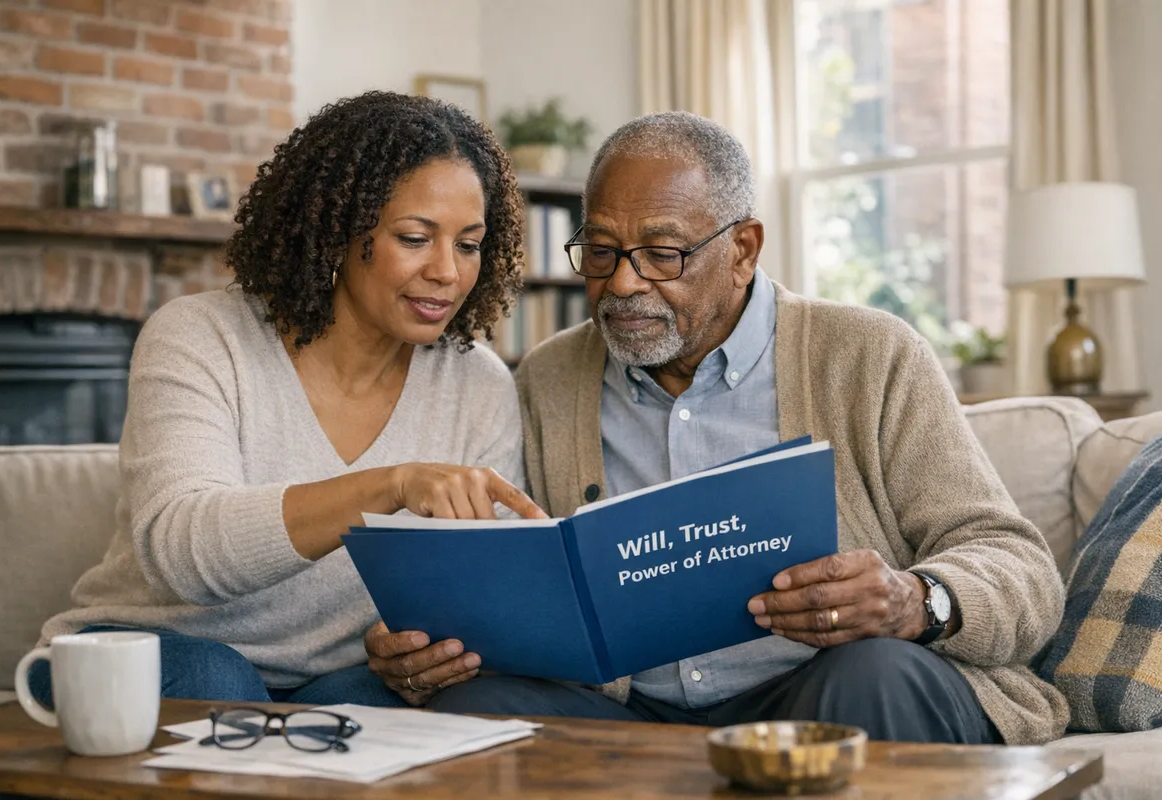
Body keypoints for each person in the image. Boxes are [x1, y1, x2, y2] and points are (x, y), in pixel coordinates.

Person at [405, 112, 1071, 746]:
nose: (623, 283)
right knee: (473, 710)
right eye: (602, 253)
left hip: (816, 688)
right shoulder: (549, 377)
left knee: (875, 672)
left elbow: (1017, 563)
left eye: (663, 254)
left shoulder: (871, 354)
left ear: (743, 249)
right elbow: (523, 581)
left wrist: (913, 601)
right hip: (634, 712)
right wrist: (444, 643)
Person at [32, 91, 545, 709]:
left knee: (387, 703)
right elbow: (185, 557)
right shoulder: (200, 337)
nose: (448, 271)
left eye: (468, 244)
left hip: (333, 679)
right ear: (335, 231)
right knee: (219, 680)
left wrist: (418, 645)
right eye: (415, 237)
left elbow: (490, 586)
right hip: (145, 653)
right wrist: (392, 484)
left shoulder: (478, 383)